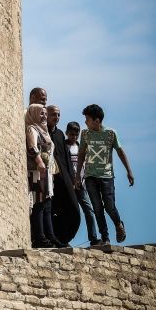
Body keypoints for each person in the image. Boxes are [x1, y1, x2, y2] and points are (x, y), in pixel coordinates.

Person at [73, 104, 134, 245]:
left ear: (97, 120)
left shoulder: (111, 133)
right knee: (97, 208)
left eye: (87, 119)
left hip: (107, 176)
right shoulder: (85, 134)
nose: (85, 122)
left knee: (109, 206)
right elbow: (81, 153)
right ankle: (105, 238)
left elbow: (120, 151)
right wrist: (77, 176)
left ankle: (118, 224)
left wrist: (129, 171)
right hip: (90, 177)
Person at [25, 104, 63, 248]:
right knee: (39, 204)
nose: (44, 117)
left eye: (45, 114)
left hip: (46, 172)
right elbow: (32, 147)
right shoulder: (32, 129)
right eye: (41, 114)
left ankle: (50, 237)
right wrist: (40, 162)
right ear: (33, 113)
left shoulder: (44, 130)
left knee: (47, 205)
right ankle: (40, 238)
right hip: (36, 171)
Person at [46, 105, 78, 246]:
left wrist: (72, 178)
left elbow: (66, 158)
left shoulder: (59, 135)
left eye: (58, 115)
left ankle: (63, 238)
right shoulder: (42, 131)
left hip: (64, 178)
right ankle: (53, 238)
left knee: (72, 210)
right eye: (53, 114)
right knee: (51, 209)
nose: (56, 117)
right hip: (48, 178)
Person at [66, 121, 101, 246]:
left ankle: (93, 238)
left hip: (81, 184)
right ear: (67, 133)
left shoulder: (82, 148)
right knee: (69, 212)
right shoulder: (64, 147)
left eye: (76, 135)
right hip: (68, 185)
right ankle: (64, 239)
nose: (73, 137)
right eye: (71, 134)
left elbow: (86, 166)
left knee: (89, 210)